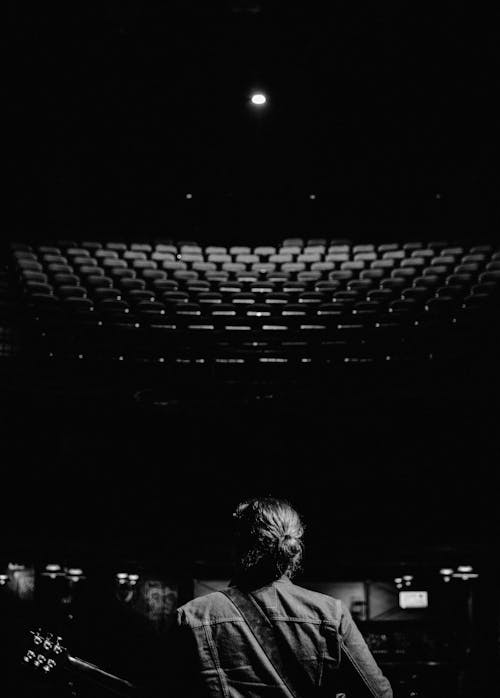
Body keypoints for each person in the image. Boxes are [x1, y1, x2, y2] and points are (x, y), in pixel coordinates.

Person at [171, 496, 393, 697]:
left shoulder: (193, 616)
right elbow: (378, 694)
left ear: (237, 548)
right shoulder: (331, 613)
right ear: (294, 551)